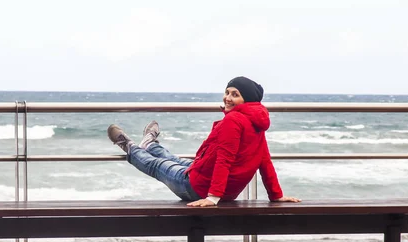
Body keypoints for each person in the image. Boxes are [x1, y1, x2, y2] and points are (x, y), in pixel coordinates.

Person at [107, 76, 300, 207]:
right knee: (176, 160)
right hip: (215, 183)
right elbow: (264, 160)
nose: (228, 98)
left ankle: (129, 146)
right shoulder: (256, 122)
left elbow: (225, 158)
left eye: (235, 94)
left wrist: (212, 197)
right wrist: (276, 195)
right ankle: (150, 144)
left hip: (198, 188)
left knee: (158, 165)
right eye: (227, 92)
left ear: (247, 100)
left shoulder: (234, 120)